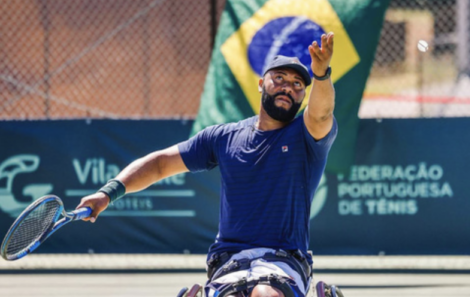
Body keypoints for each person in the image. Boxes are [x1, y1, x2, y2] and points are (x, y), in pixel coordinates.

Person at [77, 33, 342, 297]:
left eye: (297, 84)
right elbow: (160, 164)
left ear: (303, 95)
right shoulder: (223, 137)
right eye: (280, 78)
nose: (288, 87)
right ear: (262, 84)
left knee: (265, 295)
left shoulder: (307, 135)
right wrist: (107, 193)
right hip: (229, 260)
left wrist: (321, 74)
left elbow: (322, 113)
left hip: (284, 259)